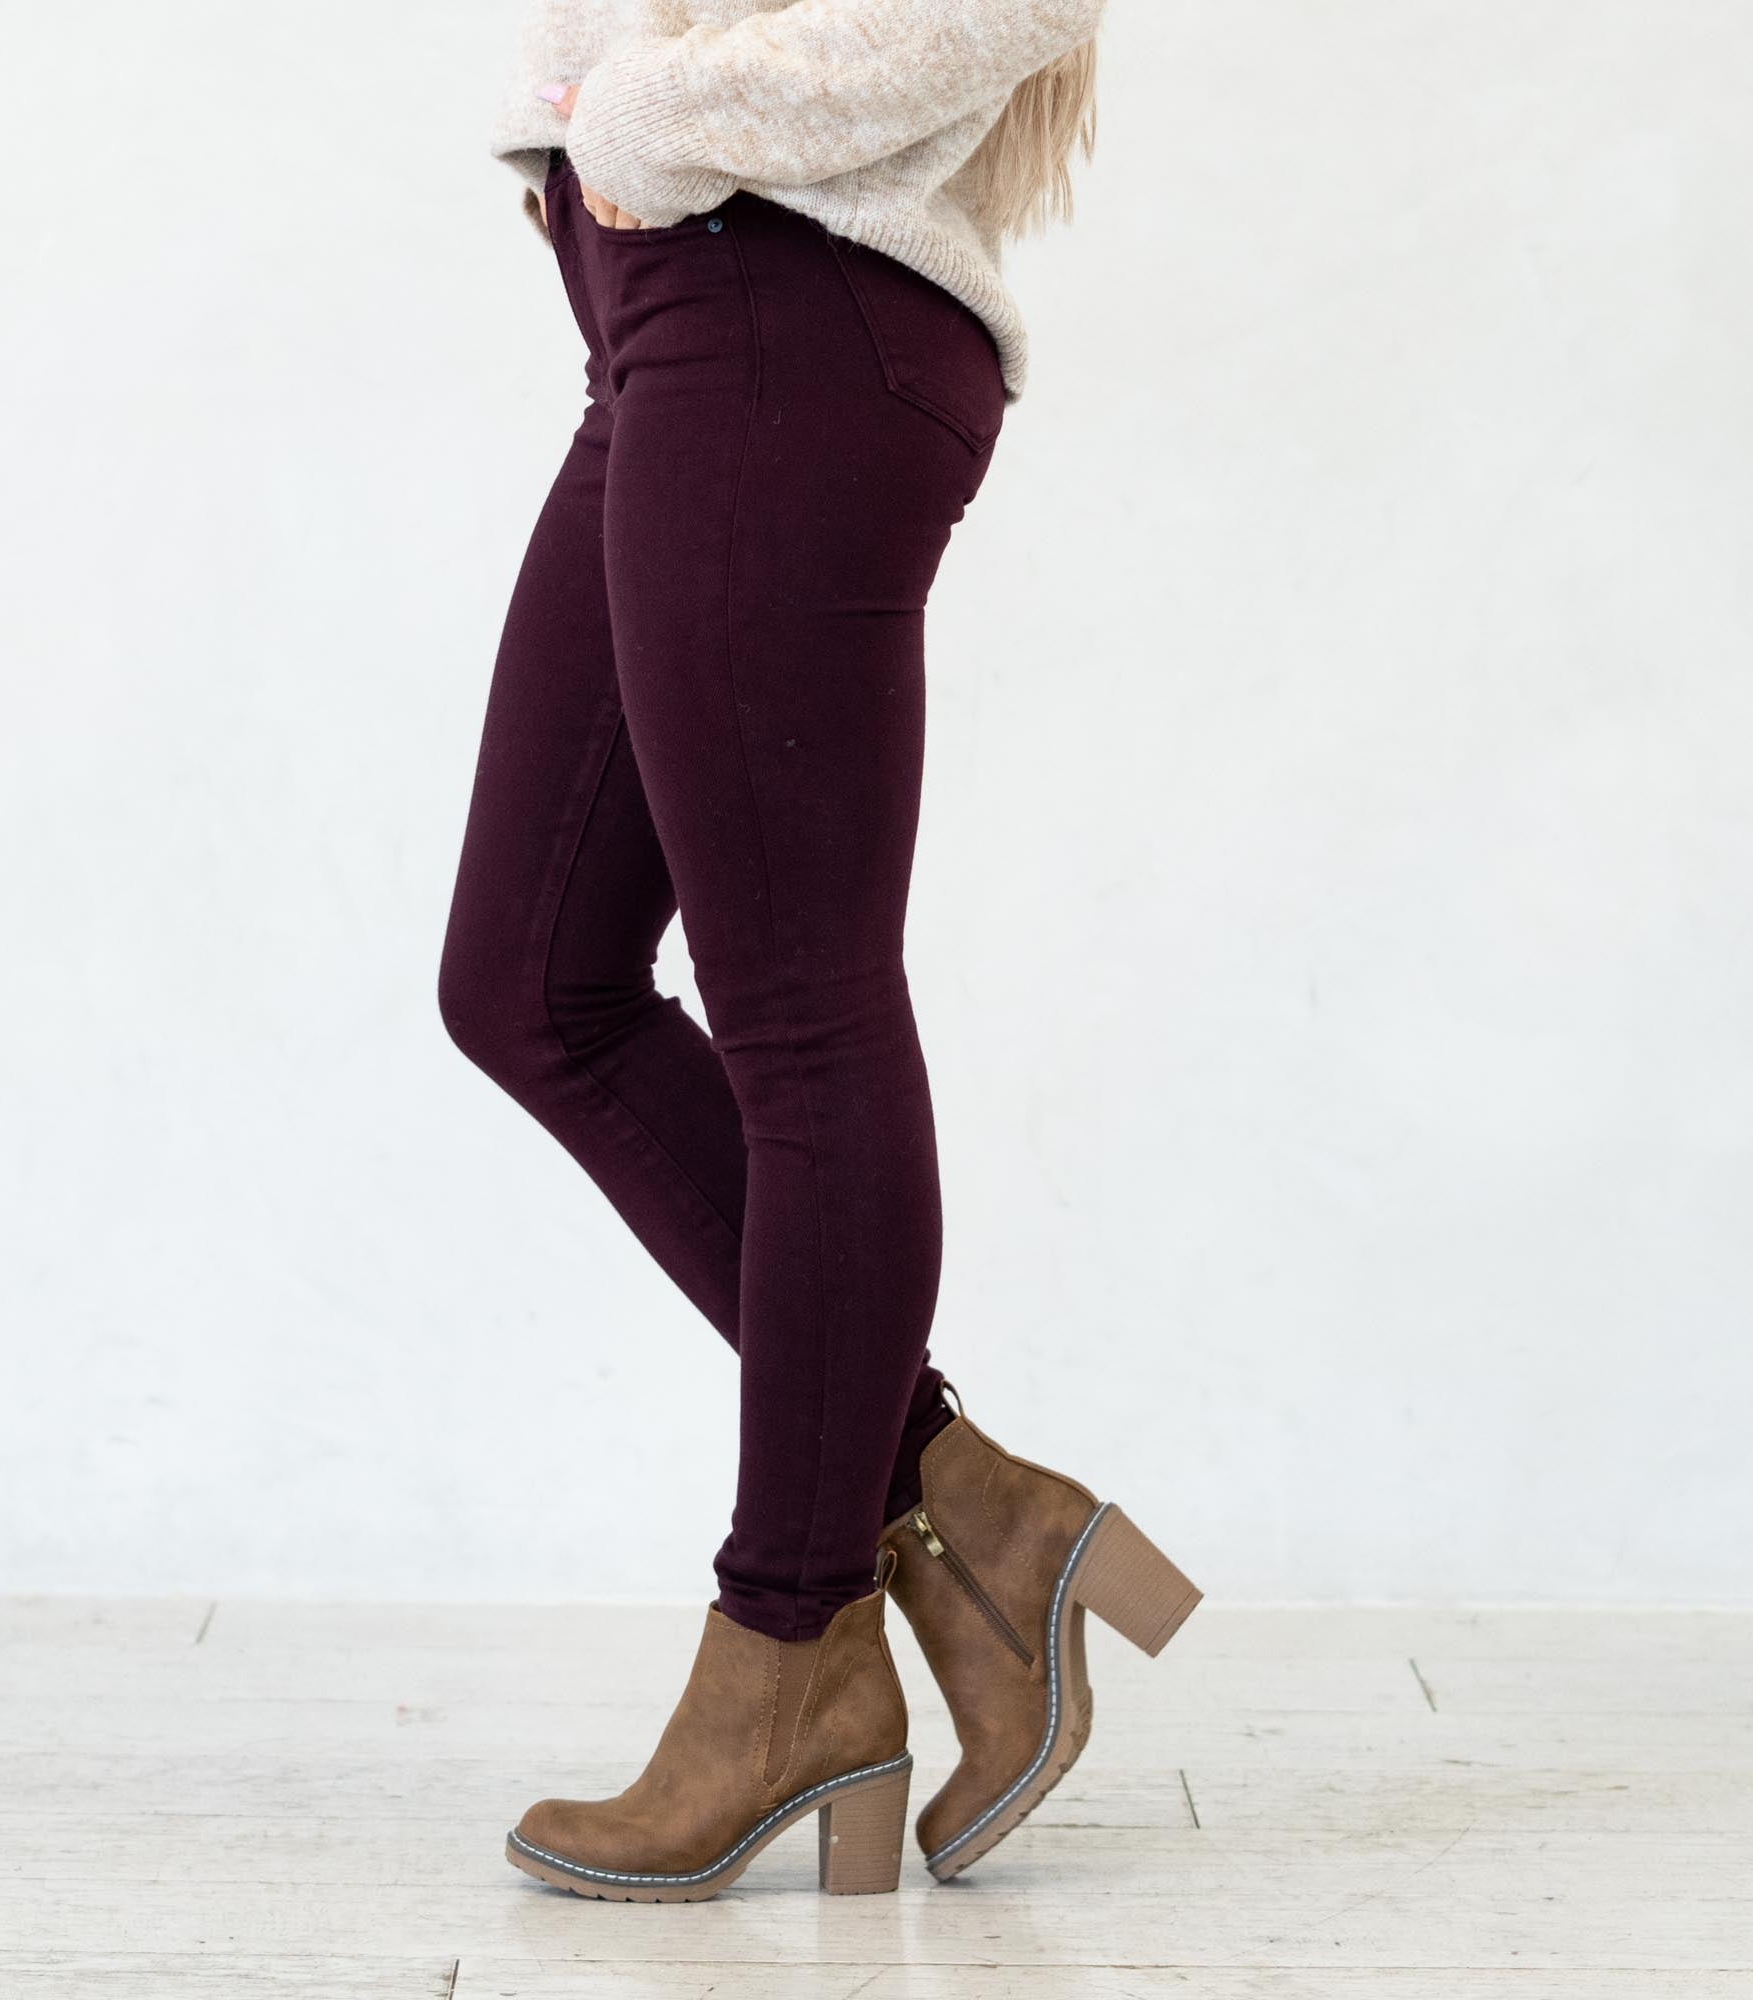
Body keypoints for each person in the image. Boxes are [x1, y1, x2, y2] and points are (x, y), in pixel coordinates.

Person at [440, 0, 1200, 1903]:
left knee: (802, 1012)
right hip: (672, 331)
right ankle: (975, 1510)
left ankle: (790, 1649)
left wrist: (638, 112)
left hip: (788, 319)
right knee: (529, 985)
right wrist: (571, 148)